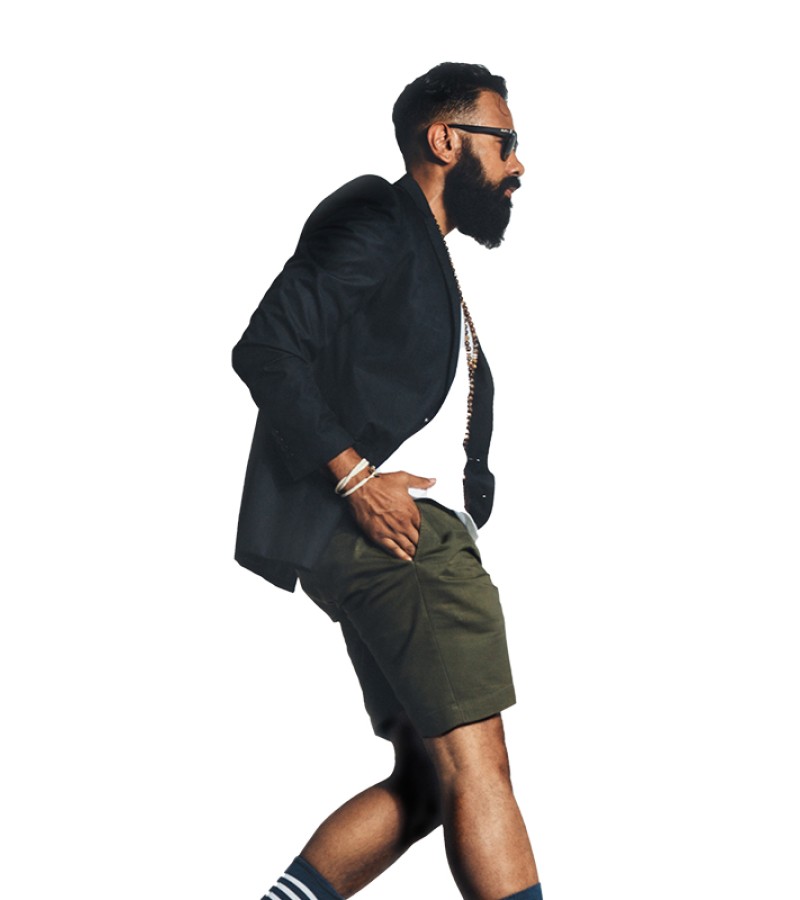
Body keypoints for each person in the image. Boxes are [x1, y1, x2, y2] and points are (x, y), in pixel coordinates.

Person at [232, 62, 542, 900]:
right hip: (402, 542)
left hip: (404, 540)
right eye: (505, 142)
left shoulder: (424, 250)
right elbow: (267, 346)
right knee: (480, 767)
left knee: (429, 785)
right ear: (446, 139)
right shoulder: (380, 217)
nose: (518, 164)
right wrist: (355, 479)